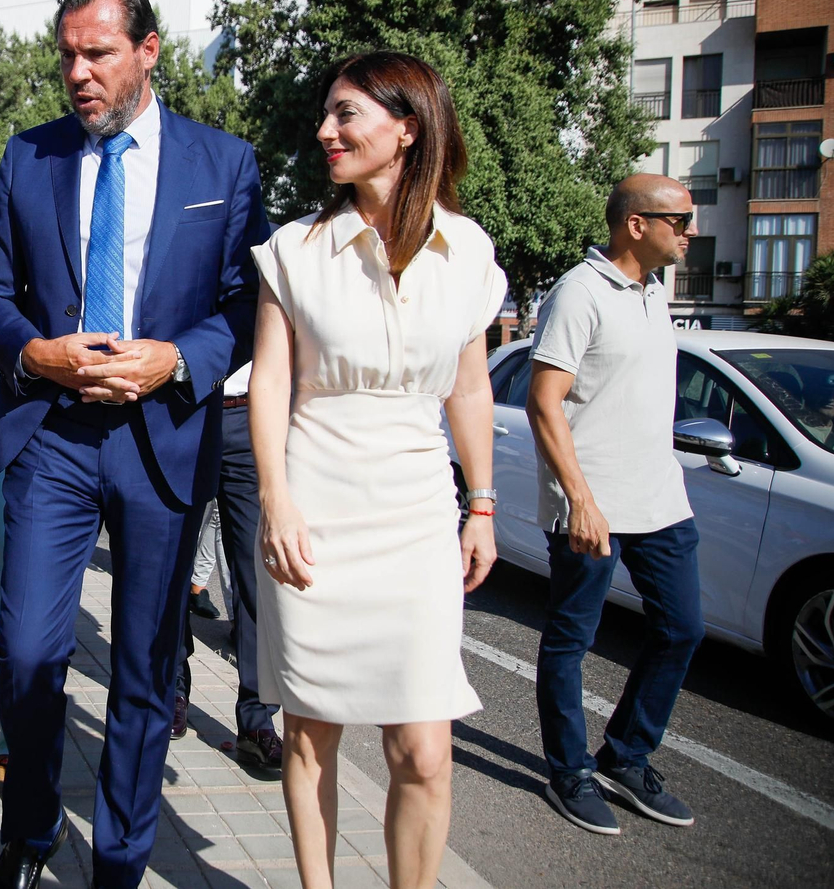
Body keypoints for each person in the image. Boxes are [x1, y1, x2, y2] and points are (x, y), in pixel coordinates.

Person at [0, 0, 269, 889]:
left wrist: (172, 362)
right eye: (66, 54)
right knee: (25, 654)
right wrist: (39, 356)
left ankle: (123, 861)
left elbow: (247, 303)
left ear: (147, 52)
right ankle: (30, 833)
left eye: (97, 53)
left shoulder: (225, 165)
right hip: (52, 438)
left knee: (143, 673)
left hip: (162, 442)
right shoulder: (29, 158)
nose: (77, 73)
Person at [248, 51, 504, 889]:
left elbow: (470, 389)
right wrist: (277, 502)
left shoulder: (470, 252)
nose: (326, 130)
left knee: (424, 750)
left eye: (346, 113)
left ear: (408, 127)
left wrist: (483, 505)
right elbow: (271, 383)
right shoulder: (295, 249)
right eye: (326, 114)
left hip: (418, 512)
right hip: (314, 507)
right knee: (310, 734)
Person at [527, 173, 704, 835]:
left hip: (660, 497)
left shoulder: (656, 290)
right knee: (573, 637)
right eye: (680, 221)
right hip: (592, 502)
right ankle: (569, 770)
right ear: (637, 224)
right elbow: (545, 401)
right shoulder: (580, 292)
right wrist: (579, 499)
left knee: (682, 628)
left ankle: (626, 758)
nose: (689, 231)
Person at [171, 359, 283, 774]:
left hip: (250, 414)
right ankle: (172, 690)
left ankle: (256, 720)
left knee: (256, 578)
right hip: (184, 409)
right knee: (173, 566)